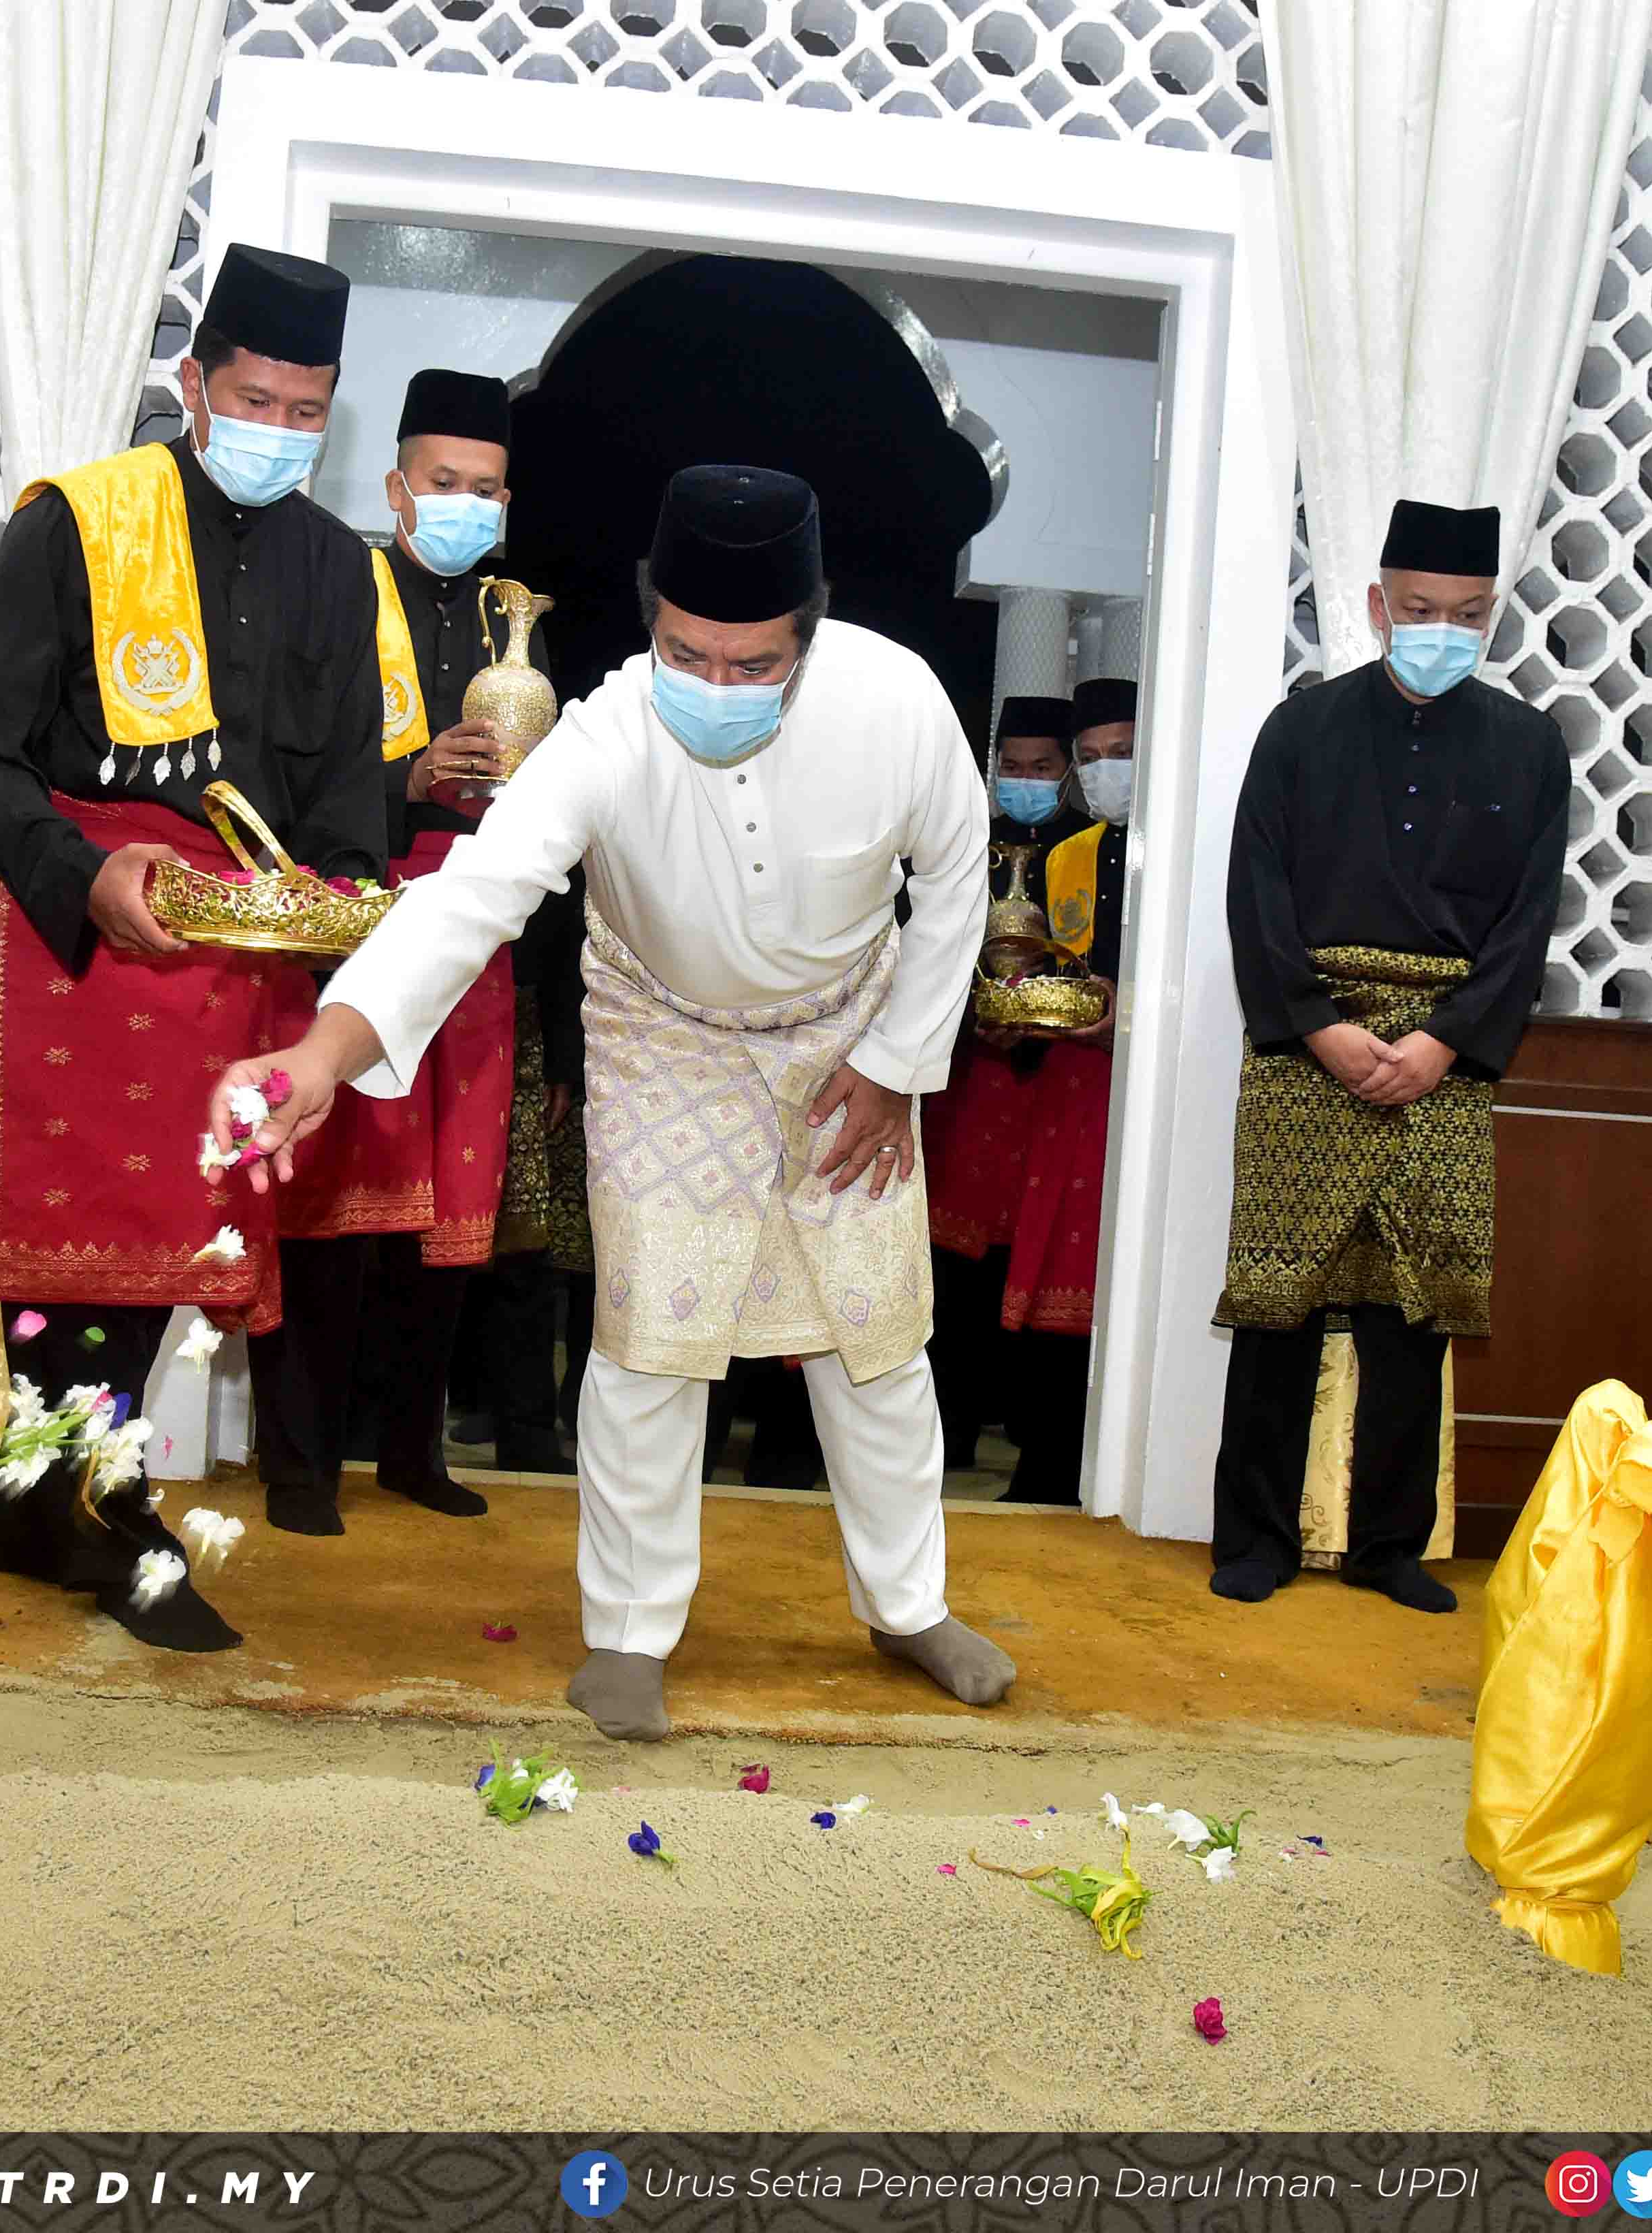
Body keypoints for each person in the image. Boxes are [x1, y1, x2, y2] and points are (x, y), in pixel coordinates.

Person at [213, 466, 1016, 1741]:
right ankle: (631, 1634)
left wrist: (899, 1061)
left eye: (755, 664)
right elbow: (470, 899)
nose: (717, 685)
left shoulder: (896, 701)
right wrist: (320, 1055)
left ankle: (909, 1606)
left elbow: (959, 879)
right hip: (663, 1036)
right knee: (651, 1336)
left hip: (849, 1039)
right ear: (652, 623)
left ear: (809, 633)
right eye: (687, 654)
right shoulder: (605, 734)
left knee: (874, 1338)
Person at [0, 242, 395, 1650]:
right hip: (89, 919)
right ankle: (104, 1506)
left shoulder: (338, 567)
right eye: (254, 400)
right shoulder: (77, 525)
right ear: (193, 383)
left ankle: (34, 1499)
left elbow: (346, 794)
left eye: (306, 411)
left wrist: (340, 913)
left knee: (179, 1227)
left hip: (237, 941)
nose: (277, 430)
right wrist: (82, 876)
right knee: (77, 1232)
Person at [1210, 498, 1570, 1615]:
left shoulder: (1530, 745)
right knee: (1278, 1300)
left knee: (1417, 1310)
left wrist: (1444, 1042)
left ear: (1491, 616)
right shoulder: (1299, 729)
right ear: (1376, 605)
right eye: (1420, 608)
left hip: (1440, 1058)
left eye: (1466, 614)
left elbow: (1527, 922)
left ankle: (1387, 1547)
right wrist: (1316, 1025)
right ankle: (1255, 1538)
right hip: (1306, 1044)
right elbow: (1256, 893)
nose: (1441, 631)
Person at [285, 368, 559, 1513]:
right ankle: (304, 1465)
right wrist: (407, 780)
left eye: (485, 489)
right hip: (361, 919)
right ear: (397, 490)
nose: (465, 505)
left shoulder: (520, 619)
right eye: (444, 483)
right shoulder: (339, 595)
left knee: (449, 1210)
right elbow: (285, 771)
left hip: (481, 940)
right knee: (340, 1207)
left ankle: (412, 1451)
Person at [923, 690, 1117, 1502]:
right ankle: (948, 1432)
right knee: (951, 1267)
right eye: (1012, 766)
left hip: (1057, 1086)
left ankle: (1032, 1439)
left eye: (1043, 767)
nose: (1025, 781)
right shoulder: (967, 840)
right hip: (970, 1077)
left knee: (1038, 1261)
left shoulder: (1088, 852)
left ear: (1064, 773)